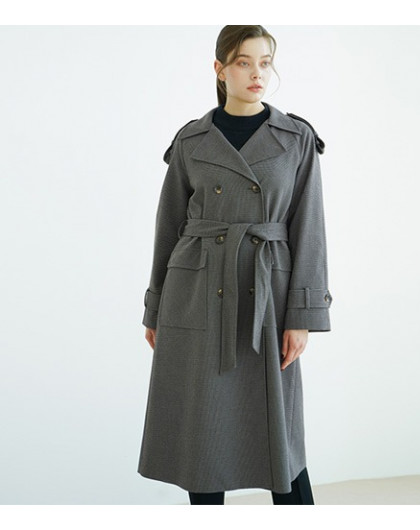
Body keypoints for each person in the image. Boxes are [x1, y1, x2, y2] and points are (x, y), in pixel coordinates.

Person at [137, 25, 333, 505]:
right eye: (244, 62)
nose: (256, 73)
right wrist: (156, 308)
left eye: (265, 62)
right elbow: (169, 227)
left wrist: (302, 316)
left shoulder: (296, 138)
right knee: (203, 433)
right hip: (197, 294)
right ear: (220, 70)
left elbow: (309, 228)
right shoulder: (192, 140)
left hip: (267, 294)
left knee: (281, 439)